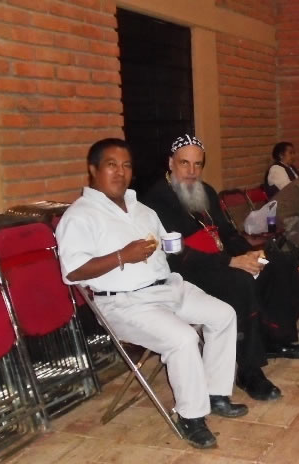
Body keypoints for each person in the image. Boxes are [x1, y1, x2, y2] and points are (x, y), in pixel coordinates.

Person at [55, 138, 247, 449]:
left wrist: (178, 247)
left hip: (167, 288)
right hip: (125, 303)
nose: (120, 172)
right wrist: (122, 256)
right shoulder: (80, 216)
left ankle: (215, 393)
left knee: (224, 314)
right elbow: (73, 272)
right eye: (111, 165)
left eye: (126, 166)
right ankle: (191, 416)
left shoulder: (141, 209)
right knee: (183, 338)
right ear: (93, 170)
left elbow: (168, 245)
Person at [143, 134, 299, 403]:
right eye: (185, 163)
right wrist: (231, 262)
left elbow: (227, 234)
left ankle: (276, 339)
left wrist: (249, 253)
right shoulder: (156, 200)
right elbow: (175, 255)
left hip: (221, 259)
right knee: (240, 282)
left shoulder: (206, 191)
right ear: (171, 163)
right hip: (187, 271)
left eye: (198, 164)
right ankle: (249, 370)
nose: (192, 171)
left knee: (277, 264)